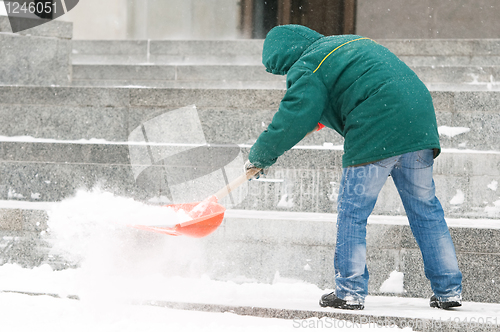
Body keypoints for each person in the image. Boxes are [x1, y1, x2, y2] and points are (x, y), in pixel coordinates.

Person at [245, 24, 462, 310]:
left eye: (284, 71)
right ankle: (449, 290)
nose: (288, 75)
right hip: (418, 122)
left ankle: (349, 291)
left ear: (286, 56)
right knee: (425, 209)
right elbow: (354, 88)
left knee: (353, 212)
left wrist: (261, 156)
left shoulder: (308, 65)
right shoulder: (344, 45)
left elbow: (293, 115)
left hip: (378, 128)